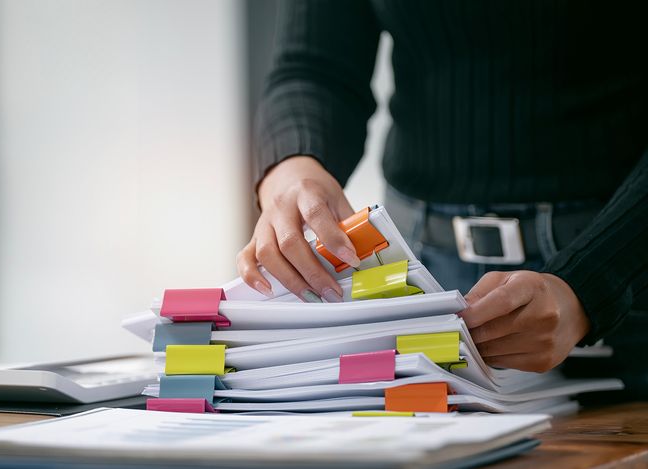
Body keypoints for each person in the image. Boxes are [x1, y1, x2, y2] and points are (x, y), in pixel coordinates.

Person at [236, 0, 647, 391]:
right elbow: (313, 66)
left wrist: (590, 286)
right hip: (422, 273)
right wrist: (292, 166)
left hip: (624, 267)